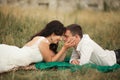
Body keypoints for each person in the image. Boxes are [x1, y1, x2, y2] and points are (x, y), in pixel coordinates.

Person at [0, 20, 75, 73]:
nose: (61, 39)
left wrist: (66, 48)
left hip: (17, 55)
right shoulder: (43, 42)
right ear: (53, 34)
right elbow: (50, 62)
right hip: (16, 57)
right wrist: (64, 48)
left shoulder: (44, 42)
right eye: (60, 35)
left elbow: (58, 59)